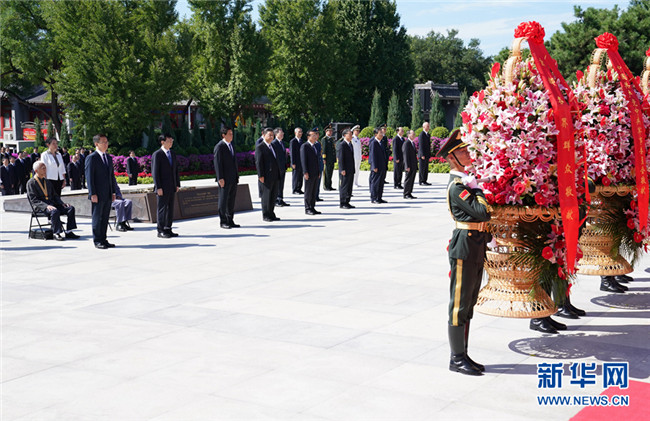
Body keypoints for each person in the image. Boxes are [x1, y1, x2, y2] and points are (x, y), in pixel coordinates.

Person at [437, 129, 491, 376]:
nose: (468, 154)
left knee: (469, 302)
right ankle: (456, 358)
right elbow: (482, 212)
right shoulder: (457, 187)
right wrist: (477, 189)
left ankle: (464, 354)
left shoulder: (465, 184)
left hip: (475, 243)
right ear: (451, 158)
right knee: (459, 302)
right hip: (464, 245)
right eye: (462, 151)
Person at [27, 161, 79, 241]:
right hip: (41, 207)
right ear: (36, 170)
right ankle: (56, 233)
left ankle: (69, 231)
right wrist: (46, 206)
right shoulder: (31, 183)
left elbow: (55, 195)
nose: (45, 169)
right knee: (54, 211)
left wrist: (62, 204)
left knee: (70, 208)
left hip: (51, 204)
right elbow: (33, 200)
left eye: (45, 167)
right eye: (42, 168)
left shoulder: (47, 181)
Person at [86, 134, 119, 249]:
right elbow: (89, 177)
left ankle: (104, 239)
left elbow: (111, 176)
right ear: (96, 144)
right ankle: (97, 240)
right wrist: (92, 193)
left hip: (108, 193)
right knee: (97, 217)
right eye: (103, 142)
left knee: (105, 217)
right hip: (97, 193)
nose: (106, 144)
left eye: (106, 142)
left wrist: (113, 192)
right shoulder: (92, 158)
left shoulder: (108, 157)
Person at [152, 133, 181, 238]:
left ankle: (168, 228)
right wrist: (158, 187)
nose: (171, 142)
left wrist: (177, 184)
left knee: (170, 209)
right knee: (162, 209)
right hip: (162, 187)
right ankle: (160, 230)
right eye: (169, 141)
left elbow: (175, 170)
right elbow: (155, 172)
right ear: (162, 142)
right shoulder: (157, 154)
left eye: (172, 140)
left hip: (171, 186)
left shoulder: (172, 153)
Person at [213, 126, 240, 229]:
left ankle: (230, 219)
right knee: (223, 200)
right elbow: (218, 163)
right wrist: (220, 178)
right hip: (224, 179)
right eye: (229, 134)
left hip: (233, 177)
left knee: (231, 200)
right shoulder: (219, 146)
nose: (231, 136)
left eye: (232, 134)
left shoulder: (231, 145)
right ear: (223, 135)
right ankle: (223, 221)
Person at [255, 128, 281, 222]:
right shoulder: (260, 147)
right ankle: (266, 215)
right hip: (266, 176)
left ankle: (271, 213)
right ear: (264, 135)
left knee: (273, 196)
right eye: (269, 135)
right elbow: (258, 162)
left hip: (274, 175)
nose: (271, 137)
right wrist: (260, 175)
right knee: (266, 196)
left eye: (272, 135)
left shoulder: (273, 146)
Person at [301, 128, 321, 215]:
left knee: (314, 191)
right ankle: (308, 208)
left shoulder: (315, 146)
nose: (315, 137)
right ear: (308, 137)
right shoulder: (305, 146)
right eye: (313, 135)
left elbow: (317, 160)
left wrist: (319, 171)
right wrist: (305, 172)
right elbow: (303, 160)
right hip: (309, 172)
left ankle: (312, 207)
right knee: (308, 191)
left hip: (315, 172)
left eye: (315, 135)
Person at [337, 129, 355, 209]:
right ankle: (343, 203)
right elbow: (340, 158)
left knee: (349, 186)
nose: (351, 136)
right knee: (344, 186)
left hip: (350, 169)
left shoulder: (350, 144)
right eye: (350, 134)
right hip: (345, 170)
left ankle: (347, 201)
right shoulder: (342, 145)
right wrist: (342, 169)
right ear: (345, 135)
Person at [271, 128, 290, 207]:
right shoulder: (273, 143)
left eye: (282, 133)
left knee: (281, 184)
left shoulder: (282, 143)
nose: (283, 134)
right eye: (281, 133)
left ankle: (280, 198)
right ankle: (276, 200)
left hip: (282, 168)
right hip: (277, 168)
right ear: (276, 134)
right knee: (276, 185)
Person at [368, 128, 387, 204]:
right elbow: (372, 155)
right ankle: (374, 198)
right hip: (376, 166)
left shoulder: (381, 142)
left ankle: (379, 197)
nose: (382, 135)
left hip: (382, 165)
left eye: (382, 133)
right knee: (375, 183)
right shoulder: (374, 143)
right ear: (376, 134)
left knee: (381, 182)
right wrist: (374, 166)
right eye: (380, 133)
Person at [402, 129, 418, 199]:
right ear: (408, 135)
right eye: (412, 134)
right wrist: (407, 166)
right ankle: (406, 193)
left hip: (413, 165)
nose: (414, 135)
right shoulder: (406, 143)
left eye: (414, 134)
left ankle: (409, 192)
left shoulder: (412, 143)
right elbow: (405, 156)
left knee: (412, 179)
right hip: (409, 165)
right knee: (408, 179)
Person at [290, 127, 305, 195]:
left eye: (301, 132)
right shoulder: (293, 141)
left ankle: (299, 188)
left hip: (301, 161)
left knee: (300, 176)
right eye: (299, 132)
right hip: (296, 162)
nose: (300, 133)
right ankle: (295, 189)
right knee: (296, 176)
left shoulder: (301, 141)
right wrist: (293, 162)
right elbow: (292, 153)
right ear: (295, 133)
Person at [321, 124, 336, 191]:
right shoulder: (324, 139)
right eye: (329, 131)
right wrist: (324, 158)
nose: (330, 132)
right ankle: (326, 186)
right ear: (326, 132)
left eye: (331, 131)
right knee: (327, 172)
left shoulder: (331, 139)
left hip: (331, 159)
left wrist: (334, 158)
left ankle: (330, 185)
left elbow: (333, 149)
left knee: (330, 172)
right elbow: (323, 150)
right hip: (327, 159)